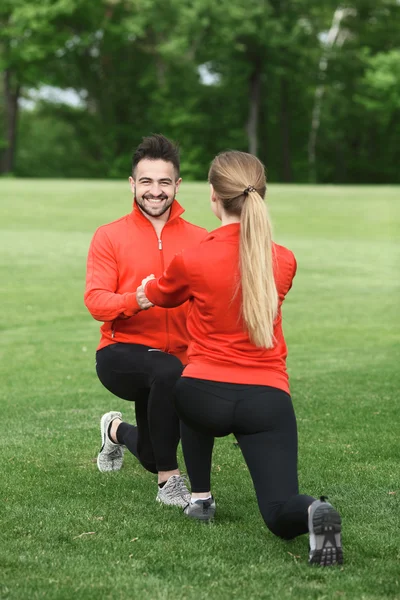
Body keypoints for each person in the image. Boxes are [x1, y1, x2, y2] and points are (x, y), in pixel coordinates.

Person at [136, 150, 343, 566]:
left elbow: (159, 294)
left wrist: (147, 286)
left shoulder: (192, 258)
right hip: (266, 399)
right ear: (260, 195)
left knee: (184, 386)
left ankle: (200, 496)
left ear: (213, 196)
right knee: (278, 509)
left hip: (203, 395)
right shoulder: (283, 259)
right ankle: (312, 512)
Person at [84, 134, 207, 507]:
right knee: (166, 370)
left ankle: (115, 430)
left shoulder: (201, 239)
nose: (156, 191)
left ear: (178, 185)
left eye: (164, 182)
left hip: (177, 361)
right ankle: (169, 485)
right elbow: (95, 301)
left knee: (153, 454)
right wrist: (135, 299)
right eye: (147, 181)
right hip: (122, 354)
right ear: (133, 183)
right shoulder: (109, 236)